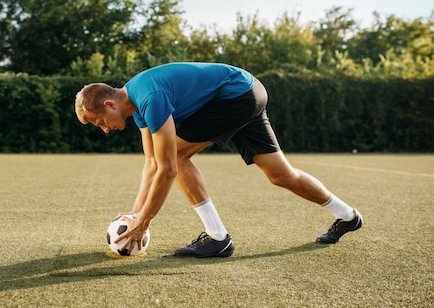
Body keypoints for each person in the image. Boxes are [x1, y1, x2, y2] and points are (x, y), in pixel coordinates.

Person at [75, 62, 362, 257]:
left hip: (236, 96)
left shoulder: (150, 97)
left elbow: (167, 168)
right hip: (247, 91)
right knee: (280, 175)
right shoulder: (135, 105)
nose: (103, 129)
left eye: (99, 121)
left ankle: (217, 238)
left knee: (175, 155)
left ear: (110, 104)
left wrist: (144, 222)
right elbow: (151, 162)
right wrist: (135, 213)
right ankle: (348, 216)